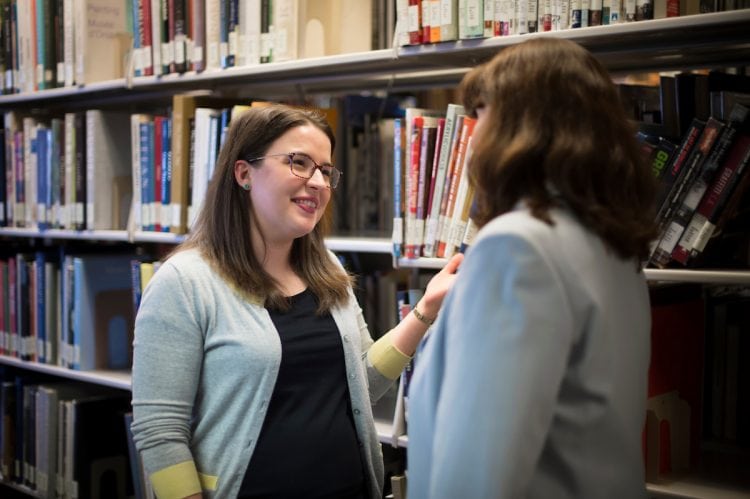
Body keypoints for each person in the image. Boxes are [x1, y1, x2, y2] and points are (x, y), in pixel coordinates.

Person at [130, 104, 463, 499]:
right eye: (299, 163)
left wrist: (426, 309)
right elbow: (160, 430)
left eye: (325, 170)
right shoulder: (185, 282)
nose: (318, 182)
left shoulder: (327, 268)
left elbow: (362, 384)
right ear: (243, 173)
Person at [407, 37, 659, 499]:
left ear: (520, 127)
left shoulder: (515, 248)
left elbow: (477, 478)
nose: (472, 137)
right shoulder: (615, 248)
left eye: (480, 114)